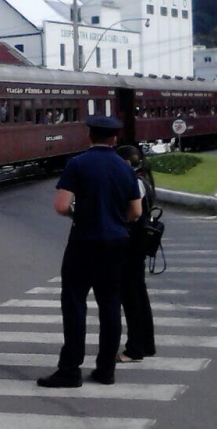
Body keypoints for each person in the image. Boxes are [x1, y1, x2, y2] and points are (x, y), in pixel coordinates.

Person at [37, 115, 143, 388]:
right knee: (110, 306)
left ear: (89, 136)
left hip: (84, 241)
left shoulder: (78, 164)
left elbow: (61, 206)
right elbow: (136, 211)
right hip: (116, 244)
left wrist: (81, 214)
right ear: (115, 139)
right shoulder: (125, 168)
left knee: (74, 304)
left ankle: (70, 370)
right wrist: (116, 220)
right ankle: (106, 370)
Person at [116, 144, 157, 363]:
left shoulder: (135, 183)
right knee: (139, 294)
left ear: (128, 163)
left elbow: (132, 214)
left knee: (131, 296)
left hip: (131, 244)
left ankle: (135, 348)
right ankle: (146, 343)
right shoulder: (144, 180)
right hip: (139, 243)